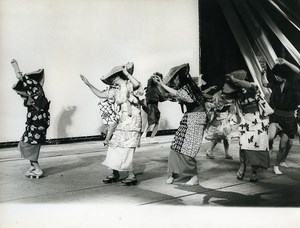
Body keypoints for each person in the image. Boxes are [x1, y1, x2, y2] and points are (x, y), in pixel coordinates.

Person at [80, 62, 143, 186]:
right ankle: (115, 173)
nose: (111, 81)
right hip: (123, 120)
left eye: (112, 78)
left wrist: (126, 73)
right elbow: (100, 94)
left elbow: (137, 84)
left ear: (116, 77)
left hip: (133, 120)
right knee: (114, 146)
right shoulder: (115, 91)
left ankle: (131, 175)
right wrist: (88, 84)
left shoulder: (130, 85)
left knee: (127, 148)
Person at [153, 63, 207, 186]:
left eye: (175, 78)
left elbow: (178, 94)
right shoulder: (187, 88)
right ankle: (173, 173)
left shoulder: (188, 88)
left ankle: (194, 176)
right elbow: (170, 96)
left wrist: (161, 84)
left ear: (179, 77)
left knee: (188, 149)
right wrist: (159, 84)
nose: (175, 81)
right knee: (175, 146)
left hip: (196, 120)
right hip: (189, 119)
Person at [226, 70, 273, 182]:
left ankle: (254, 171)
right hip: (246, 120)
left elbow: (248, 86)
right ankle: (242, 166)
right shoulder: (237, 94)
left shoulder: (253, 87)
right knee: (244, 145)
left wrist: (235, 80)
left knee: (257, 146)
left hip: (258, 120)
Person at [11, 59, 50, 179]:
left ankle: (37, 168)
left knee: (28, 145)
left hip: (37, 124)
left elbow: (20, 76)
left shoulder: (33, 85)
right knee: (26, 143)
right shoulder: (35, 93)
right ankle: (33, 166)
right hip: (36, 123)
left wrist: (15, 65)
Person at [266, 58, 300, 175]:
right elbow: (264, 84)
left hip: (289, 119)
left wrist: (285, 62)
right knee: (269, 138)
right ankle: (267, 151)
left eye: (278, 76)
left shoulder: (293, 83)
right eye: (275, 75)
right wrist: (261, 74)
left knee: (283, 145)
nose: (276, 77)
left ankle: (276, 165)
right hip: (276, 117)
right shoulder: (275, 84)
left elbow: (298, 71)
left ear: (284, 75)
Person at [204, 82, 240, 160]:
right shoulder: (218, 95)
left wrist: (228, 119)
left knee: (226, 136)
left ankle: (227, 153)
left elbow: (232, 111)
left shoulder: (233, 98)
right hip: (217, 118)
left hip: (226, 118)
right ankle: (209, 150)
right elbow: (211, 107)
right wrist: (214, 107)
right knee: (217, 136)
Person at [141, 72, 166, 142]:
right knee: (155, 122)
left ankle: (144, 135)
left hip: (151, 105)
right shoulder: (154, 88)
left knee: (152, 121)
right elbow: (161, 98)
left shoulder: (150, 87)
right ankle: (149, 137)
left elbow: (160, 98)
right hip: (153, 105)